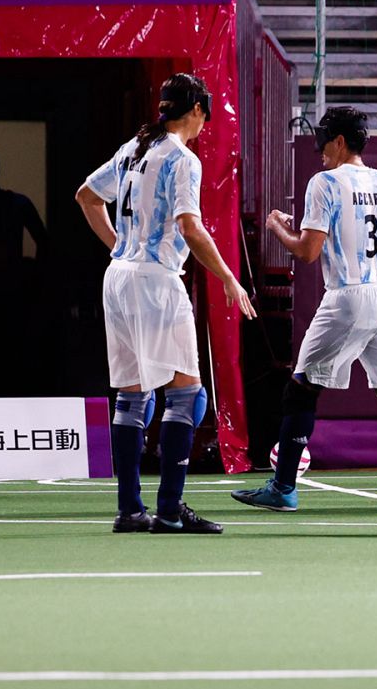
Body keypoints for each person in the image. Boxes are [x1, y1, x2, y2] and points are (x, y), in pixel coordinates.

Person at [230, 107, 377, 514]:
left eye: (323, 141)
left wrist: (277, 227)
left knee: (302, 387)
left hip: (350, 295)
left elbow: (307, 251)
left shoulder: (323, 182)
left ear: (340, 141)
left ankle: (283, 487)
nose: (320, 150)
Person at [75, 73, 256, 534]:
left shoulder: (133, 149)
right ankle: (171, 508)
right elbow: (191, 227)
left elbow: (87, 196)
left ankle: (130, 510)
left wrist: (121, 246)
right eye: (203, 116)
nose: (203, 126)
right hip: (155, 280)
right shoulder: (181, 158)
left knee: (132, 397)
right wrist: (230, 279)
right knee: (187, 394)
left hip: (117, 278)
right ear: (195, 110)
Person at [0, 146, 49, 396]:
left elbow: (44, 242)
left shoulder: (16, 203)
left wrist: (33, 276)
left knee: (8, 358)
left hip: (9, 291)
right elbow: (44, 241)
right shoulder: (16, 203)